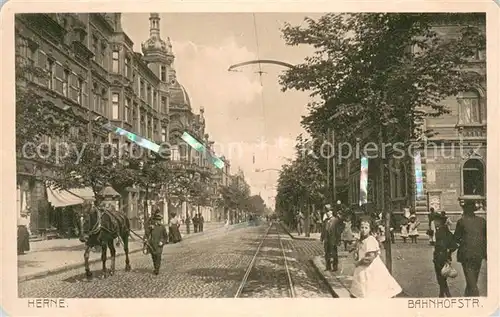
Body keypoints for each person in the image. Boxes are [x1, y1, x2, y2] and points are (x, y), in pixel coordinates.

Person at [349, 218, 402, 298]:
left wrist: (359, 263)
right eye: (362, 227)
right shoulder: (361, 240)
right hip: (363, 267)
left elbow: (370, 258)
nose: (363, 230)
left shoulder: (371, 240)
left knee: (372, 286)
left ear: (370, 229)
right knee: (363, 286)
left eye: (366, 228)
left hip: (371, 267)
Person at [454, 200, 487, 297]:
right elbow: (486, 237)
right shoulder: (482, 221)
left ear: (464, 210)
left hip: (466, 254)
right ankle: (467, 297)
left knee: (471, 281)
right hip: (479, 253)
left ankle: (475, 299)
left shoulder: (461, 221)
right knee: (473, 279)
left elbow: (456, 238)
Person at [433, 214, 458, 297]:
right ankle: (441, 295)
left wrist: (443, 254)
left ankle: (448, 295)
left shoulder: (440, 232)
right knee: (443, 277)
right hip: (445, 257)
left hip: (440, 257)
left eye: (435, 221)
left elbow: (441, 246)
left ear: (439, 222)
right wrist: (449, 253)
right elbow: (454, 245)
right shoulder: (447, 231)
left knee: (441, 278)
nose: (434, 222)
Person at [320, 205, 342, 271]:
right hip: (326, 239)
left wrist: (338, 240)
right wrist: (322, 238)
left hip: (333, 239)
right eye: (326, 211)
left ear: (331, 211)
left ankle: (335, 267)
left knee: (334, 253)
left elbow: (338, 231)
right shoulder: (326, 221)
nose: (327, 213)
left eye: (329, 211)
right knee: (327, 253)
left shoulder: (335, 220)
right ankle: (328, 266)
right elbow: (323, 230)